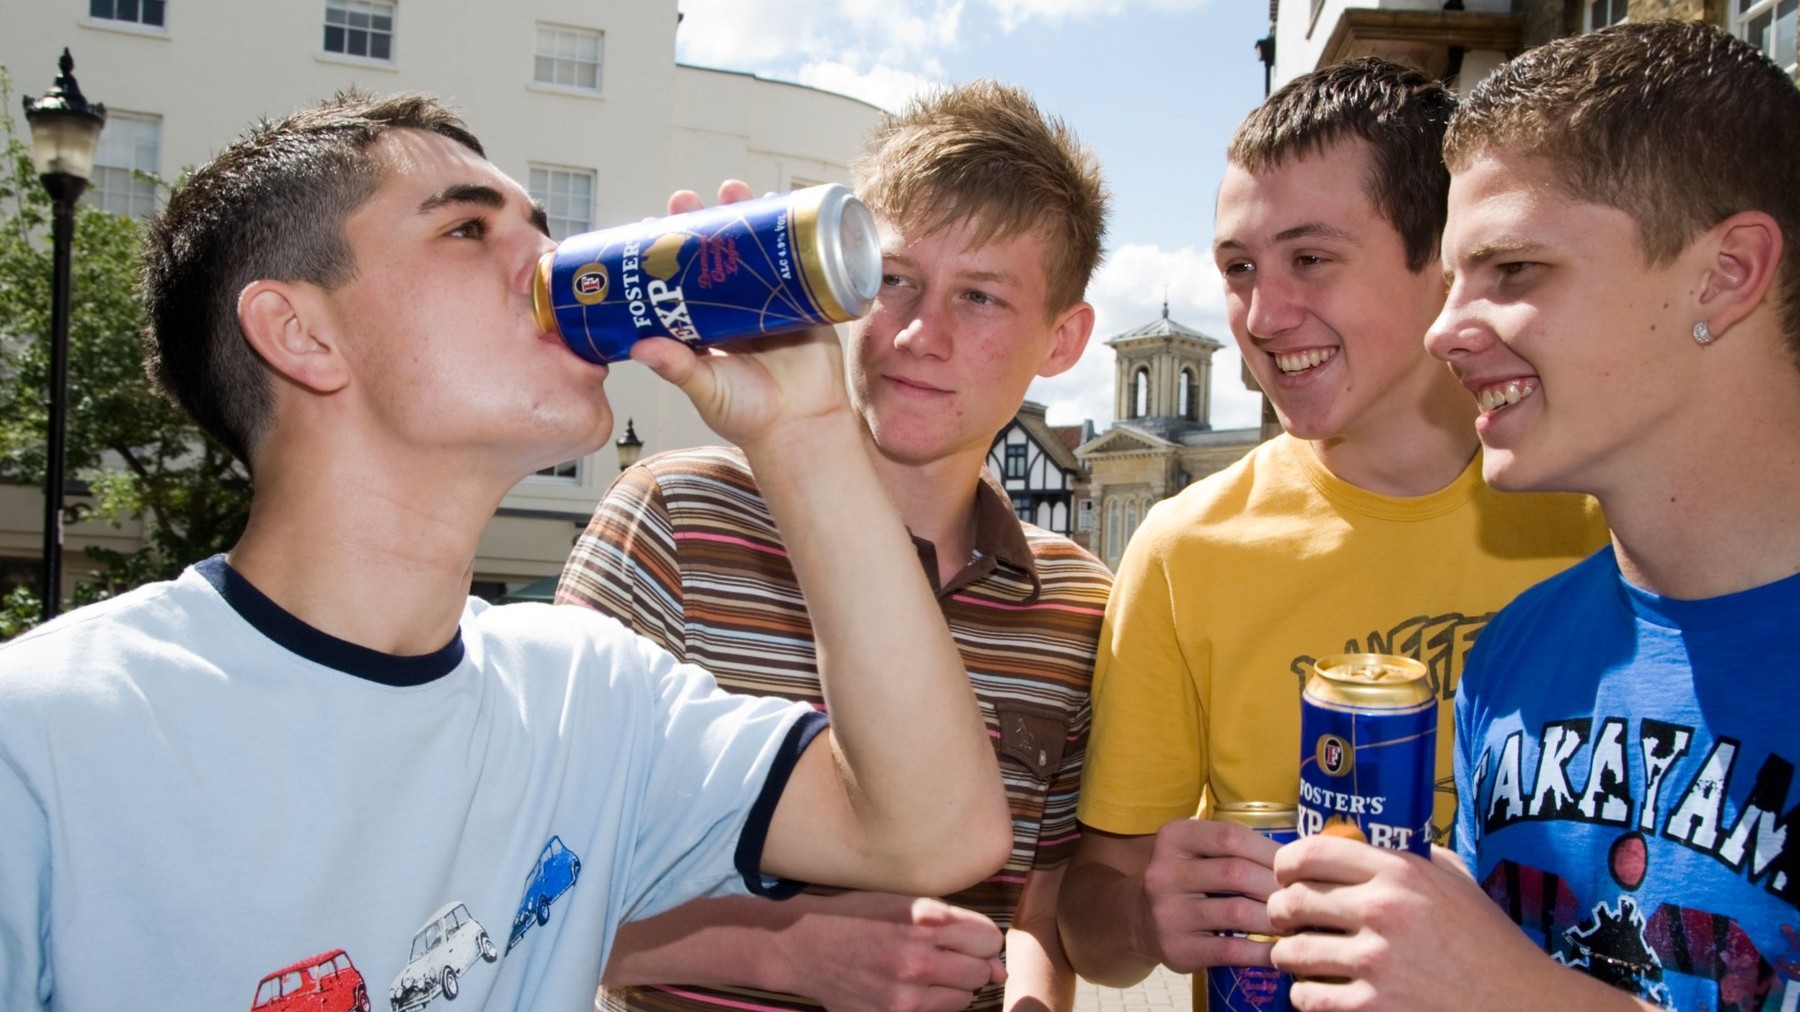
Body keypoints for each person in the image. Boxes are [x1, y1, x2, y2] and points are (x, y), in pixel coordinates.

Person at [0, 91, 1016, 1011]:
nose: (540, 263)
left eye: (540, 228)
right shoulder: (48, 735)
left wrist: (802, 436)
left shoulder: (590, 698)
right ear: (301, 334)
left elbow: (936, 832)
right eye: (467, 226)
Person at [1266, 21, 1800, 1012]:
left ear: (1725, 275)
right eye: (1454, 276)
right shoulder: (1516, 655)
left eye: (1513, 271)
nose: (1444, 331)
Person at [1055, 57, 1609, 997]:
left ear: (1440, 260)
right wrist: (1152, 911)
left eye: (1311, 258)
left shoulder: (1608, 520)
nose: (1264, 317)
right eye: (1238, 268)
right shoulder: (1188, 550)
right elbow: (1094, 930)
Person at [556, 79, 1113, 1012]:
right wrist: (778, 950)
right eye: (893, 279)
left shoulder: (1077, 606)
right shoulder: (674, 519)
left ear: (1063, 340)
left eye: (980, 297)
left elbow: (1042, 917)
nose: (919, 334)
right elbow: (522, 878)